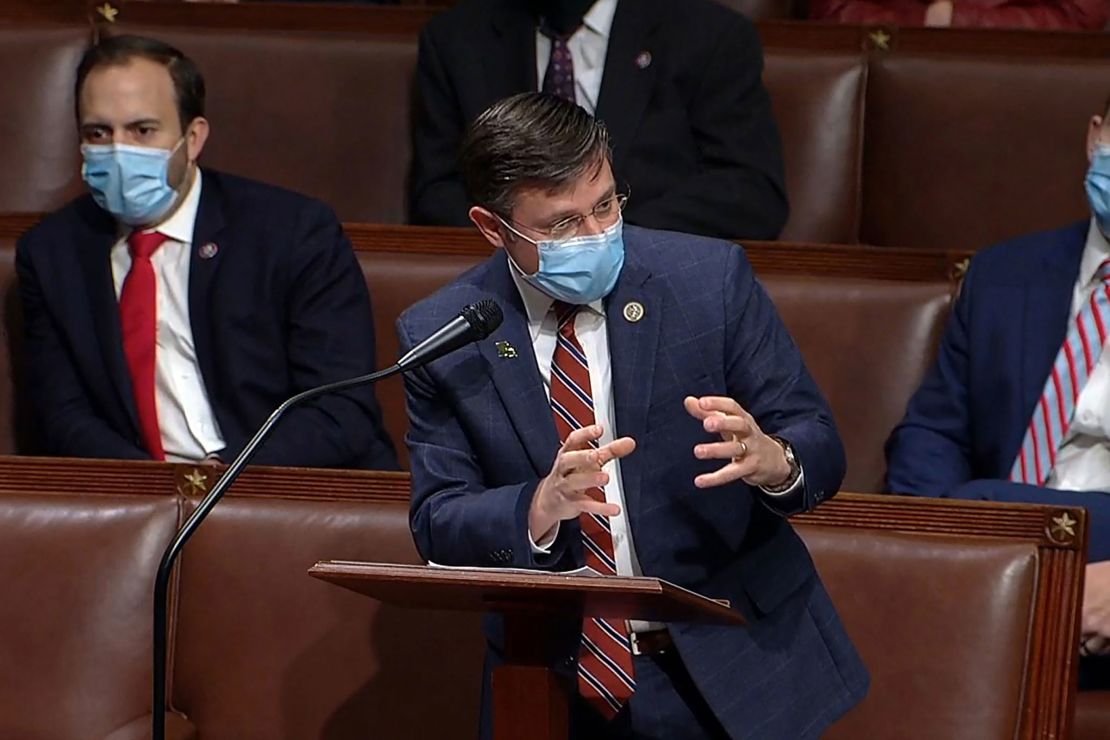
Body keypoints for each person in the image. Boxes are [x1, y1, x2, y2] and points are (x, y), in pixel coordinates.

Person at [399, 92, 866, 740]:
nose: (596, 236)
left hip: (730, 667)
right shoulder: (445, 331)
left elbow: (819, 444)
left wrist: (774, 460)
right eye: (562, 224)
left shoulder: (708, 280)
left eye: (606, 205)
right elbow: (438, 519)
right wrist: (538, 506)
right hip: (551, 682)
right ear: (492, 227)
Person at [16, 35, 397, 470]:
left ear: (192, 138)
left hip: (293, 492)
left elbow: (339, 410)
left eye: (142, 131)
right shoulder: (52, 253)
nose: (119, 152)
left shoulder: (292, 232)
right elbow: (64, 416)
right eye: (98, 133)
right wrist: (157, 495)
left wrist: (222, 486)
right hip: (147, 506)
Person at [886, 95, 1110, 687]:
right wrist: (940, 558)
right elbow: (933, 431)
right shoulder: (1004, 273)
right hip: (995, 549)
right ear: (1095, 137)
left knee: (987, 504)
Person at [409, 0, 788, 241]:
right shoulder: (457, 40)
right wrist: (532, 242)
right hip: (512, 283)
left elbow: (751, 192)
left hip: (653, 273)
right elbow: (436, 193)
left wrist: (604, 234)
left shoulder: (708, 37)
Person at [810, 0, 1108, 30]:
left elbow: (1078, 19)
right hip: (884, 56)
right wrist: (922, 22)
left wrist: (962, 20)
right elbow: (832, 11)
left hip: (1021, 78)